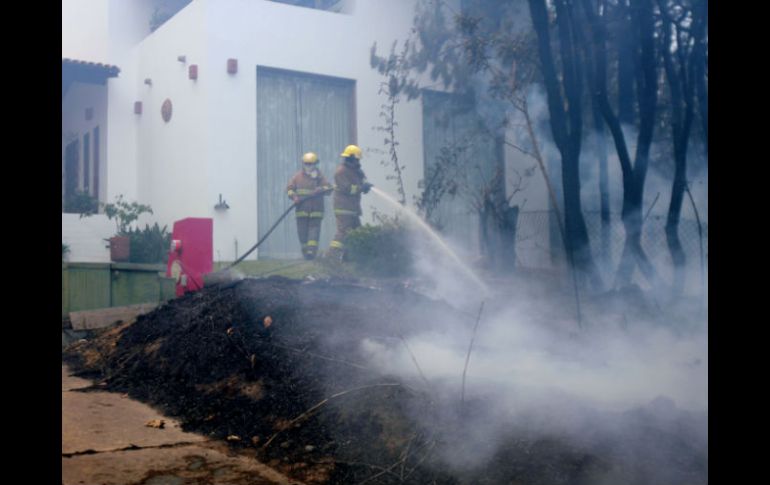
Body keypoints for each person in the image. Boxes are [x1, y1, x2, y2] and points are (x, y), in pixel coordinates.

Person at [286, 152, 332, 260]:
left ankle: (311, 253)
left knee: (314, 232)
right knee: (302, 233)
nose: (309, 166)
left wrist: (321, 189)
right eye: (306, 164)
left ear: (316, 164)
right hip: (301, 210)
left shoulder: (320, 177)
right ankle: (305, 253)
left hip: (316, 210)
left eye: (311, 164)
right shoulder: (297, 177)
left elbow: (329, 189)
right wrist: (294, 197)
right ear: (303, 164)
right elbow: (289, 189)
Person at [329, 144, 372, 259]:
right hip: (343, 208)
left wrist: (365, 186)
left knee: (357, 232)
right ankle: (331, 255)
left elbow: (361, 183)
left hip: (353, 208)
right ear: (351, 158)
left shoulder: (356, 171)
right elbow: (347, 188)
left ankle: (348, 257)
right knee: (343, 232)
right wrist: (360, 188)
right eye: (356, 159)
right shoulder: (341, 172)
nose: (358, 162)